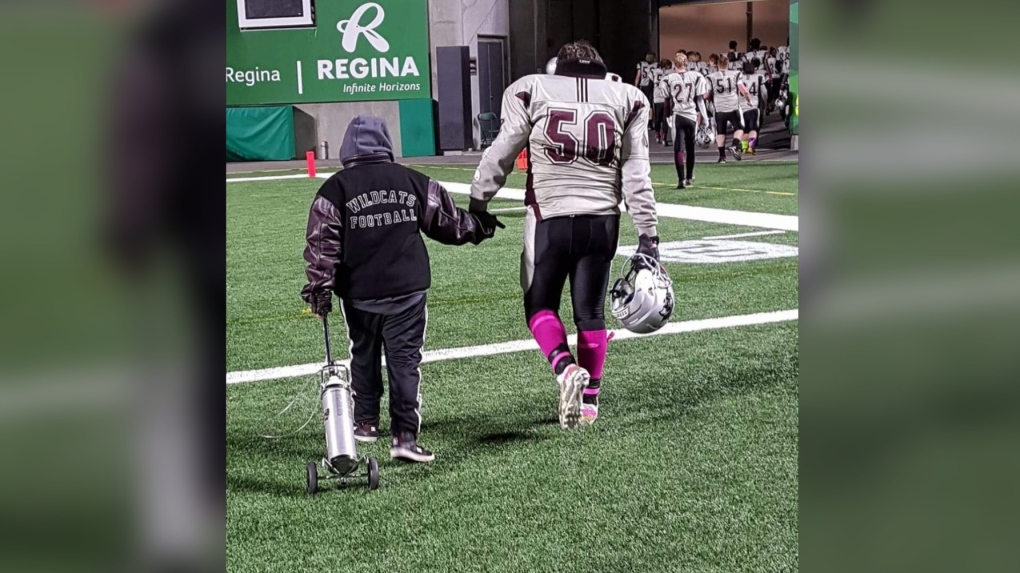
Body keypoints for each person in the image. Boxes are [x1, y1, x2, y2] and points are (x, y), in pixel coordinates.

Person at [469, 40, 659, 429]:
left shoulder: (531, 89)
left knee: (539, 306)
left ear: (559, 67)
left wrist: (479, 203)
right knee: (590, 311)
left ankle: (565, 369)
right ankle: (589, 404)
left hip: (550, 218)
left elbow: (501, 152)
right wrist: (649, 235)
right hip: (601, 221)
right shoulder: (629, 97)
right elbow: (636, 174)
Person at [301, 116, 503, 462]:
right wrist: (480, 226)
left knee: (362, 355)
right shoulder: (411, 180)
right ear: (386, 144)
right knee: (405, 362)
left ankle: (364, 424)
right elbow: (450, 224)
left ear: (347, 148)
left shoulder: (335, 189)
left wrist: (319, 288)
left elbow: (322, 243)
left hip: (360, 294)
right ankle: (404, 437)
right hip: (408, 290)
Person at [663, 52, 709, 189]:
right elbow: (700, 100)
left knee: (678, 149)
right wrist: (705, 118)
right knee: (690, 148)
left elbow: (666, 102)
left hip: (678, 115)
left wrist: (667, 117)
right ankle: (689, 177)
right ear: (686, 64)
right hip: (691, 116)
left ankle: (681, 180)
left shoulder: (668, 78)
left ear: (674, 65)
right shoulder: (696, 76)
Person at [707, 54, 752, 162]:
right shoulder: (735, 74)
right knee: (739, 128)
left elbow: (707, 95)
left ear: (717, 64)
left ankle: (722, 157)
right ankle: (734, 145)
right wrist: (749, 100)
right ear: (728, 64)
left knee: (721, 131)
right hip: (732, 106)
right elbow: (744, 90)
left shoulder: (711, 77)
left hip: (719, 108)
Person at [739, 59, 767, 155]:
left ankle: (743, 148)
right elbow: (764, 92)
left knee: (744, 129)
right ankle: (750, 146)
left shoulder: (739, 78)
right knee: (753, 129)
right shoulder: (759, 77)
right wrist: (765, 102)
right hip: (753, 106)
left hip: (741, 107)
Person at [633, 51, 659, 122]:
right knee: (650, 103)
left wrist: (635, 86)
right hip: (651, 86)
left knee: (643, 103)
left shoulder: (641, 64)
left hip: (643, 85)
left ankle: (643, 119)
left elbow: (638, 76)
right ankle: (650, 121)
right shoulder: (656, 65)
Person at [653, 59, 673, 146]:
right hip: (661, 96)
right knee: (660, 118)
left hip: (662, 96)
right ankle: (659, 134)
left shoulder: (654, 71)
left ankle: (662, 136)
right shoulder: (670, 72)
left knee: (664, 118)